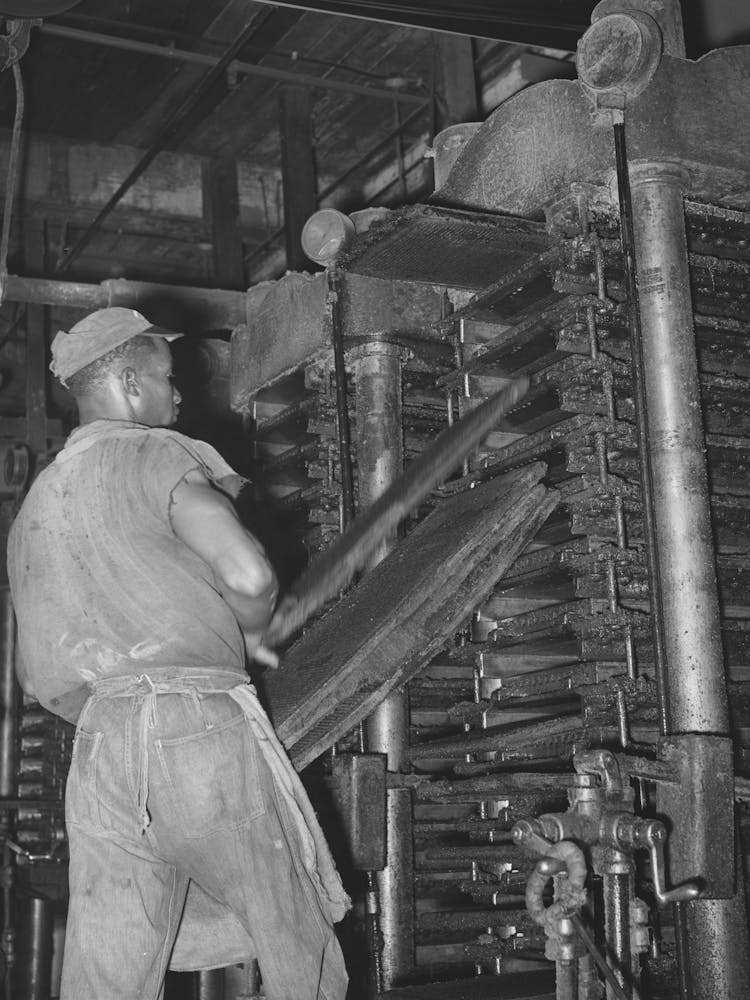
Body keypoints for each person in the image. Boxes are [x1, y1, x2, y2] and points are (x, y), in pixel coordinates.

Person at [7, 307, 349, 1000]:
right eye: (166, 377)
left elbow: (33, 671)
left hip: (101, 752)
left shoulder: (37, 501)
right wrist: (251, 633)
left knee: (108, 970)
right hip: (197, 729)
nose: (179, 394)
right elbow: (249, 575)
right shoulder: (156, 454)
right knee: (291, 935)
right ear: (129, 383)